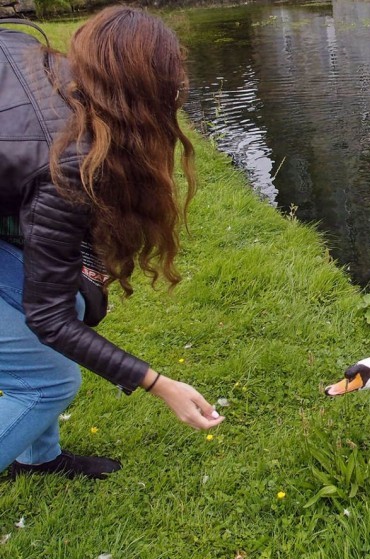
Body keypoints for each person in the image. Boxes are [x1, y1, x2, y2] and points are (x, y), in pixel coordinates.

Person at [0, 6, 224, 480]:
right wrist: (159, 383)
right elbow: (47, 317)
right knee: (48, 383)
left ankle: (37, 460)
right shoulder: (67, 161)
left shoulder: (39, 59)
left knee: (72, 304)